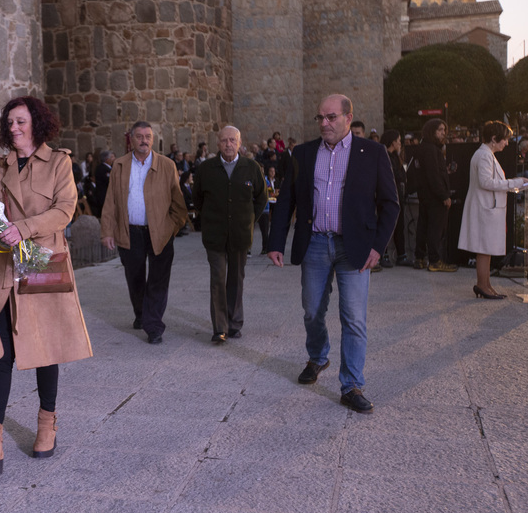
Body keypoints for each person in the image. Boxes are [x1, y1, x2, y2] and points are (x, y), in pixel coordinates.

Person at [0, 96, 92, 475]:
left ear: (36, 123)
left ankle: (48, 424)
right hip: (4, 269)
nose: (13, 128)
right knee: (0, 354)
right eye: (9, 122)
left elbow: (64, 210)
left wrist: (23, 229)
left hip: (43, 262)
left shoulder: (59, 162)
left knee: (45, 348)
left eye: (21, 122)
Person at [267, 94, 399, 414]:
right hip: (314, 243)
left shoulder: (373, 153)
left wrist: (377, 247)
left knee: (353, 317)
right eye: (320, 118)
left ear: (348, 117)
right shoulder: (302, 153)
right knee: (312, 310)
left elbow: (391, 203)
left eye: (331, 117)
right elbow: (286, 201)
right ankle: (318, 356)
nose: (324, 123)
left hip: (354, 247)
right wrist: (275, 241)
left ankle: (352, 384)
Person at [101, 121, 188, 344]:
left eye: (148, 136)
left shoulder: (167, 165)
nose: (144, 140)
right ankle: (141, 314)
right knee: (135, 278)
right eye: (139, 136)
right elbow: (110, 202)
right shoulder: (119, 166)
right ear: (131, 139)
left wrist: (172, 227)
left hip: (160, 233)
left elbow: (179, 204)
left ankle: (154, 325)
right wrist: (108, 232)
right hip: (130, 232)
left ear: (153, 139)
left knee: (158, 280)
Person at [192, 126, 268, 343]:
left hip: (240, 235)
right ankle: (220, 327)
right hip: (215, 235)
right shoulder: (207, 168)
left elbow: (261, 198)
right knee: (217, 278)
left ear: (239, 142)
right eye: (224, 140)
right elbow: (197, 198)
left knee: (236, 278)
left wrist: (249, 220)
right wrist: (208, 218)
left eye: (232, 140)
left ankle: (234, 323)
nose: (228, 144)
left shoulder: (251, 168)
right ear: (218, 143)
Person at [458, 121, 527, 299]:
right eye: (504, 140)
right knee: (484, 249)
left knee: (485, 249)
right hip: (484, 207)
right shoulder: (484, 156)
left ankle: (486, 285)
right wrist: (515, 182)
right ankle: (483, 285)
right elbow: (486, 182)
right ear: (494, 139)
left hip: (486, 206)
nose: (506, 143)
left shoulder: (486, 154)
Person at [413, 118, 457, 272]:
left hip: (425, 194)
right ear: (432, 131)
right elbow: (433, 176)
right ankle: (435, 260)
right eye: (440, 130)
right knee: (436, 229)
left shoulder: (422, 148)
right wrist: (444, 195)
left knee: (423, 227)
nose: (443, 133)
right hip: (434, 196)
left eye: (444, 130)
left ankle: (419, 258)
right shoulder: (431, 149)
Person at [380, 129, 409, 267]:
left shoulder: (395, 157)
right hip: (387, 197)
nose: (400, 144)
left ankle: (401, 254)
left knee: (399, 226)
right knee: (385, 225)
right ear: (392, 142)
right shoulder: (385, 156)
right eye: (398, 141)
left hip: (397, 196)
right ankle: (383, 254)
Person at [90, 150, 114, 218]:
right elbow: (109, 181)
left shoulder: (109, 168)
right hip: (104, 196)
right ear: (107, 159)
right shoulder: (102, 168)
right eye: (111, 157)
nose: (113, 159)